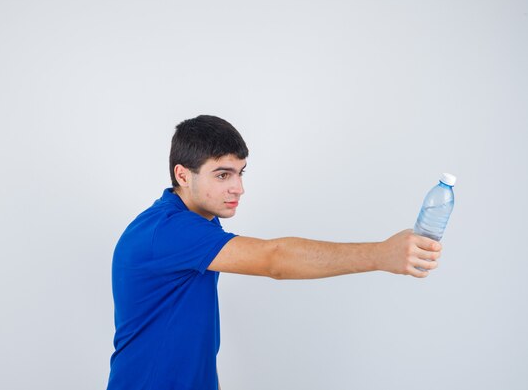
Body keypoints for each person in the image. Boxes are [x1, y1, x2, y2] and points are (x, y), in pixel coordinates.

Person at [106, 115, 442, 390]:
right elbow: (274, 259)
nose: (238, 188)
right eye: (223, 174)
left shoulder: (197, 222)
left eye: (240, 173)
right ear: (182, 174)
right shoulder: (169, 231)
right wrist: (381, 255)